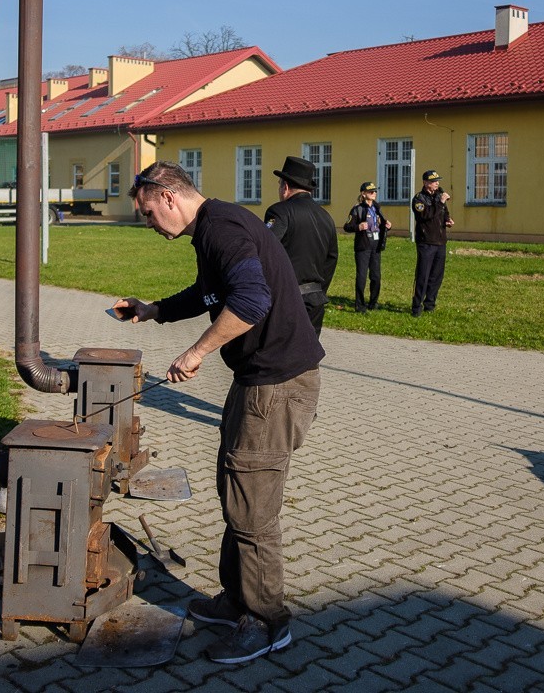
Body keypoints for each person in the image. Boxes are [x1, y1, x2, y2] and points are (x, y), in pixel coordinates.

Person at [111, 161, 324, 664]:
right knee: (236, 489)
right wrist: (154, 309)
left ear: (167, 196)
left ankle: (268, 622)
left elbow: (251, 299)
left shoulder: (223, 229)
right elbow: (212, 293)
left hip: (277, 386)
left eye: (146, 213)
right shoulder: (213, 229)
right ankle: (236, 601)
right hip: (258, 380)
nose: (147, 223)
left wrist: (197, 352)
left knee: (252, 509)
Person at [263, 155, 338, 336]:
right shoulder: (326, 217)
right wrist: (319, 290)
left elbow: (265, 251)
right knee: (308, 355)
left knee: (278, 356)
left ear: (286, 187)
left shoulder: (279, 211)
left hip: (284, 300)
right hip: (314, 299)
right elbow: (331, 258)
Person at [411, 169, 454, 316]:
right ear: (425, 183)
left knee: (436, 276)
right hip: (426, 242)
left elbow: (443, 212)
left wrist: (447, 220)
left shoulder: (438, 196)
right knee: (423, 275)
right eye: (433, 181)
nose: (437, 184)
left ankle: (430, 304)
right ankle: (416, 307)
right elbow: (426, 215)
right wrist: (440, 203)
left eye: (437, 181)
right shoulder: (419, 199)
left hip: (440, 242)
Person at [343, 182, 391, 313]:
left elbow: (380, 223)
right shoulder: (357, 209)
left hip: (376, 246)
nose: (374, 193)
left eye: (375, 191)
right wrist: (358, 227)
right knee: (362, 276)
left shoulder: (377, 207)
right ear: (363, 194)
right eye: (371, 192)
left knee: (376, 276)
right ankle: (360, 305)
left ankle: (373, 303)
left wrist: (387, 225)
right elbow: (347, 226)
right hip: (363, 246)